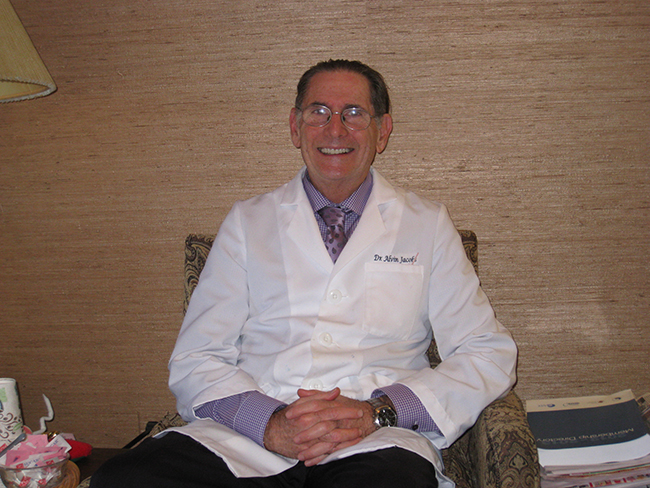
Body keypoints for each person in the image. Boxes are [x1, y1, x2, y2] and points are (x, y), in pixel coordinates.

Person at [91, 59, 517, 488]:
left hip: (375, 441)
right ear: (295, 127)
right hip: (248, 437)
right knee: (124, 479)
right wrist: (270, 423)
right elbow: (196, 357)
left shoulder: (426, 225)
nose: (335, 130)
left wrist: (379, 412)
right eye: (318, 113)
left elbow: (487, 352)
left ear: (382, 131)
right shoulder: (247, 222)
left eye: (354, 113)